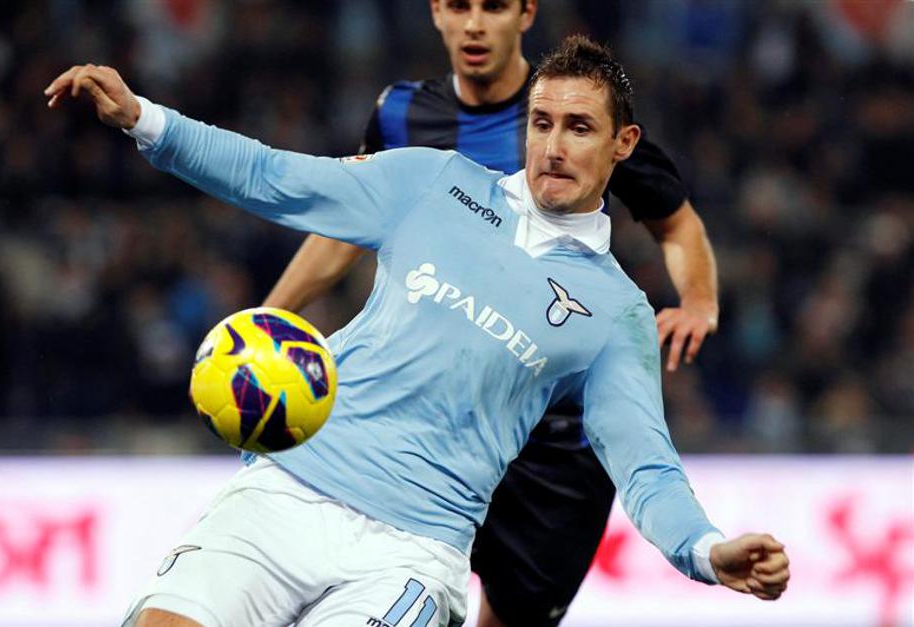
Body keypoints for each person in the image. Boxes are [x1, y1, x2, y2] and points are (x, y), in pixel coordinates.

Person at [46, 36, 788, 627]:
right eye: (541, 123)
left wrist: (705, 550)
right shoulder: (434, 182)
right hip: (284, 492)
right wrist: (145, 119)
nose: (554, 146)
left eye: (579, 127)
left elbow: (646, 467)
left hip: (409, 553)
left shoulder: (617, 314)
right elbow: (275, 177)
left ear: (623, 143)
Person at [262, 2, 719, 625]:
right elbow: (349, 226)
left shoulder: (579, 117)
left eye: (494, 6)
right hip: (432, 420)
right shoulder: (400, 114)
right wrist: (267, 318)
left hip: (553, 445)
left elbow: (677, 223)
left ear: (526, 13)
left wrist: (698, 301)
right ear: (436, 13)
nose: (475, 24)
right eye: (459, 5)